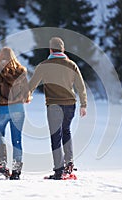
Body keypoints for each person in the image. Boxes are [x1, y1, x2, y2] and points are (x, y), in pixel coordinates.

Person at [28, 37, 87, 180]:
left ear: (50, 50)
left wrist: (26, 95)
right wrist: (84, 104)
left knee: (56, 136)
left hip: (54, 104)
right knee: (66, 131)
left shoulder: (44, 65)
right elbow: (80, 86)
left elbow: (32, 85)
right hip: (70, 105)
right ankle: (69, 164)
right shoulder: (72, 65)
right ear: (63, 50)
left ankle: (59, 171)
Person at [0, 47, 30, 180]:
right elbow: (26, 93)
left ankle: (2, 163)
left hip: (1, 109)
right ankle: (16, 170)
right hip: (18, 110)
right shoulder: (21, 71)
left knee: (0, 136)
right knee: (17, 140)